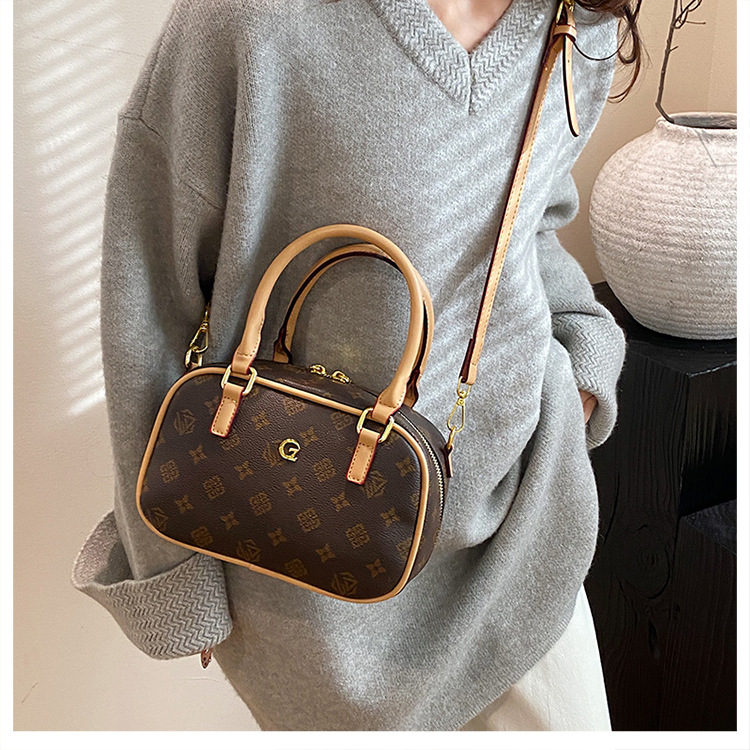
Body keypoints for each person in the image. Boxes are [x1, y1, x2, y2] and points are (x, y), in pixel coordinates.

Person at [71, 0, 640, 731]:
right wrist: (172, 572)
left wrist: (584, 357)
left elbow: (530, 224)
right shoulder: (252, 20)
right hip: (308, 570)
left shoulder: (578, 24)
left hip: (519, 529)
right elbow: (148, 295)